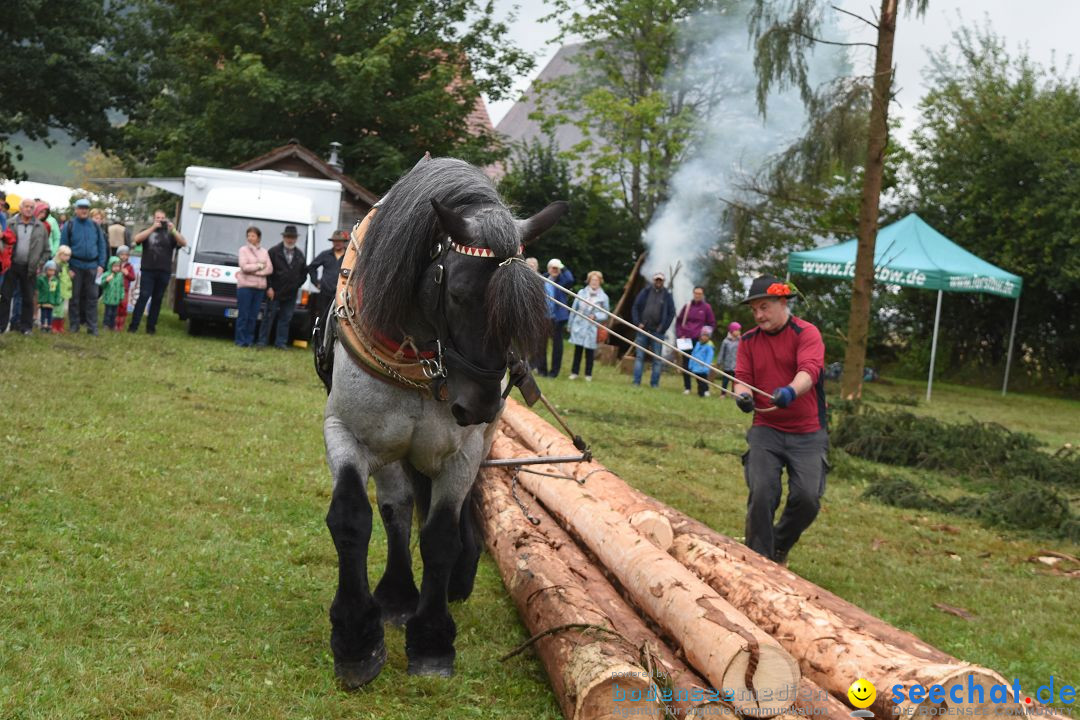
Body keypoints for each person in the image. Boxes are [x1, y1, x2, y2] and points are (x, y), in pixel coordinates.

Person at [733, 276, 827, 566]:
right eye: (754, 310)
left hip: (808, 432)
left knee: (808, 499)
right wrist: (743, 397)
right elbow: (742, 380)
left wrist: (790, 391)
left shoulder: (807, 333)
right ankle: (757, 561)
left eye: (764, 307)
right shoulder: (748, 341)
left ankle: (778, 547)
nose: (759, 315)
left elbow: (809, 372)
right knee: (762, 492)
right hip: (766, 430)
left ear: (783, 302)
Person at [129, 210, 186, 334]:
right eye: (157, 218)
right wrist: (153, 227)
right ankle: (133, 326)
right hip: (148, 270)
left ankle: (151, 328)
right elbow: (137, 239)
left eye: (162, 218)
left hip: (164, 271)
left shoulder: (170, 234)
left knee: (157, 299)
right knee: (143, 296)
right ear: (153, 219)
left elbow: (183, 243)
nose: (160, 220)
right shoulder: (147, 230)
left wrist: (174, 230)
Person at [0, 199, 51, 334]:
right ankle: (1, 327)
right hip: (11, 265)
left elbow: (47, 250)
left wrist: (39, 264)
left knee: (28, 298)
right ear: (21, 208)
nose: (28, 209)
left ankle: (26, 328)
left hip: (30, 268)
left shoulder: (41, 227)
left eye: (31, 207)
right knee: (5, 297)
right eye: (26, 206)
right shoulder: (10, 223)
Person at [60, 198, 107, 335]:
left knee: (92, 297)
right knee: (74, 297)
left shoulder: (95, 226)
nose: (84, 210)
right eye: (81, 208)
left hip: (92, 265)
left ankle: (92, 327)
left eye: (86, 208)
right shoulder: (70, 225)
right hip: (75, 264)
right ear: (76, 209)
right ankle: (74, 325)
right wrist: (66, 267)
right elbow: (63, 247)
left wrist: (101, 265)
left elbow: (102, 246)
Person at [257, 225, 307, 349]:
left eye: (293, 237)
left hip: (291, 293)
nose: (290, 240)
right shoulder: (273, 251)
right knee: (268, 317)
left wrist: (296, 285)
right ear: (284, 237)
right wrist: (269, 287)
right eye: (288, 237)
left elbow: (303, 274)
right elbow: (267, 272)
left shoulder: (299, 254)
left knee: (286, 319)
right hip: (274, 291)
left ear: (296, 239)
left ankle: (281, 343)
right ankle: (262, 342)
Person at [630, 271, 676, 387]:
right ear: (653, 280)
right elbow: (635, 306)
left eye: (660, 280)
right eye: (657, 280)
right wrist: (637, 323)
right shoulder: (645, 292)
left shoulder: (667, 295)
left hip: (658, 331)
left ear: (663, 282)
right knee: (640, 357)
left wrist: (663, 328)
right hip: (643, 329)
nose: (658, 282)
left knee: (657, 359)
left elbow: (671, 313)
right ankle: (636, 382)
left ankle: (654, 384)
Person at [567, 271, 609, 381]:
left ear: (600, 282)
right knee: (578, 350)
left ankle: (588, 374)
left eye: (597, 280)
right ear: (589, 281)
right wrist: (570, 324)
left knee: (590, 352)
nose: (594, 282)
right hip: (579, 325)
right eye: (592, 280)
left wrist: (595, 316)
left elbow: (606, 314)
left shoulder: (604, 297)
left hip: (592, 327)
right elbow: (573, 309)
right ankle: (574, 372)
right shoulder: (581, 292)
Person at [234, 226, 272, 347]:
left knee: (253, 316)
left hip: (259, 289)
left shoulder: (264, 252)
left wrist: (255, 270)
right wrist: (260, 266)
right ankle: (240, 340)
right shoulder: (243, 250)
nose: (250, 238)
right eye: (249, 235)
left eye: (253, 235)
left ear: (258, 237)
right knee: (243, 315)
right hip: (245, 287)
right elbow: (244, 267)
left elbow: (270, 268)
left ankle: (249, 340)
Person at [675, 286, 716, 395]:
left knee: (700, 365)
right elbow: (679, 322)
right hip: (685, 339)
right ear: (693, 293)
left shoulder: (706, 308)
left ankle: (704, 388)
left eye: (699, 293)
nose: (697, 295)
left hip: (699, 341)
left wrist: (706, 336)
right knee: (686, 363)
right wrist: (680, 334)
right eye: (696, 293)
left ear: (702, 295)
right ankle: (687, 387)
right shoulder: (687, 306)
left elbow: (711, 324)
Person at [539, 258, 574, 377]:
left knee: (557, 347)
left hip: (557, 318)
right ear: (548, 269)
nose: (555, 270)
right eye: (553, 268)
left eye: (557, 268)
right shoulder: (542, 279)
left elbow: (570, 279)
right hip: (543, 317)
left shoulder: (562, 281)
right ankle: (542, 370)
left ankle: (554, 372)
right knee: (541, 345)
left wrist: (562, 266)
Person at [308, 229, 348, 325]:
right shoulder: (325, 254)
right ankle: (322, 339)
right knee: (324, 318)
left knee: (340, 319)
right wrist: (316, 283)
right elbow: (311, 267)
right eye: (335, 241)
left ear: (344, 242)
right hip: (325, 293)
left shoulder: (349, 256)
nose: (337, 243)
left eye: (340, 241)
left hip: (343, 294)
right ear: (332, 242)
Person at [100, 256, 126, 330]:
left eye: (118, 266)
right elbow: (102, 285)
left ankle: (112, 325)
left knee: (114, 313)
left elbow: (122, 286)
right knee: (108, 313)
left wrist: (122, 295)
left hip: (116, 298)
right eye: (114, 266)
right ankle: (106, 324)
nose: (116, 268)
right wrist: (106, 281)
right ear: (110, 266)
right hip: (108, 298)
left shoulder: (120, 275)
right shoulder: (106, 274)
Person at [688, 326, 716, 397]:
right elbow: (693, 354)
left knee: (702, 382)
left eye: (706, 335)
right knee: (698, 381)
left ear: (709, 337)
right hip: (696, 367)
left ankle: (702, 393)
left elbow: (709, 358)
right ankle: (702, 392)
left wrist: (706, 367)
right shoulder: (698, 344)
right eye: (703, 335)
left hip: (703, 368)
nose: (704, 337)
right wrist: (690, 364)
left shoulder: (709, 347)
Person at [52, 245, 74, 333]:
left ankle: (60, 326)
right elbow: (53, 278)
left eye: (69, 256)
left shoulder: (66, 265)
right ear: (60, 254)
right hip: (57, 290)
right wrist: (53, 290)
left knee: (63, 309)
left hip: (65, 290)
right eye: (65, 255)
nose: (67, 257)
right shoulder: (56, 265)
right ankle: (54, 326)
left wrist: (70, 275)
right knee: (56, 309)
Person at [113, 246, 136, 331]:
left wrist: (127, 273)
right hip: (115, 289)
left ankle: (121, 325)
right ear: (118, 255)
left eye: (126, 255)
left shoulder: (129, 266)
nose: (124, 256)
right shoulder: (115, 264)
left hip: (125, 290)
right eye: (122, 254)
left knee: (123, 307)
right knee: (115, 307)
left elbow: (133, 277)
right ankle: (114, 324)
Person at [717, 321, 742, 398]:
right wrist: (719, 362)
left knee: (735, 381)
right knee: (725, 381)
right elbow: (722, 352)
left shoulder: (740, 341)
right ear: (731, 331)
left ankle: (733, 393)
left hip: (736, 365)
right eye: (736, 330)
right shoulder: (725, 341)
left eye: (739, 330)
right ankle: (723, 393)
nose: (738, 332)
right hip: (727, 365)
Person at [36, 261, 61, 333]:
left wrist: (57, 300)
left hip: (51, 300)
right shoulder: (41, 279)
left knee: (50, 314)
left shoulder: (55, 280)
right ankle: (43, 325)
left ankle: (49, 326)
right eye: (50, 270)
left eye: (53, 270)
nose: (52, 272)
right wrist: (39, 300)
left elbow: (57, 291)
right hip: (43, 300)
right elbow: (38, 289)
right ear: (46, 270)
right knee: (43, 314)